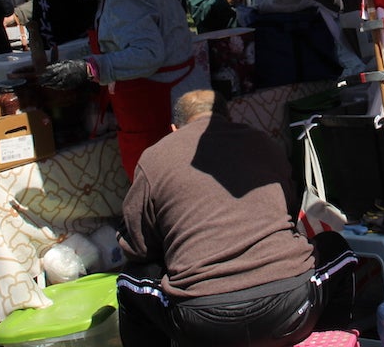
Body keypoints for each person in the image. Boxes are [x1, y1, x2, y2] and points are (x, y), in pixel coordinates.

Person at [116, 89, 357, 347]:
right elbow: (288, 213)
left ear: (175, 128)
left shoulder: (155, 157)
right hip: (289, 312)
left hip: (203, 325)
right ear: (227, 117)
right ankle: (325, 341)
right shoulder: (263, 142)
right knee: (338, 249)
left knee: (129, 281)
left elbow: (139, 248)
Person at [39, 0, 195, 178]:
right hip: (161, 105)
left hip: (157, 112)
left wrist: (89, 69)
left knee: (161, 187)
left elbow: (148, 54)